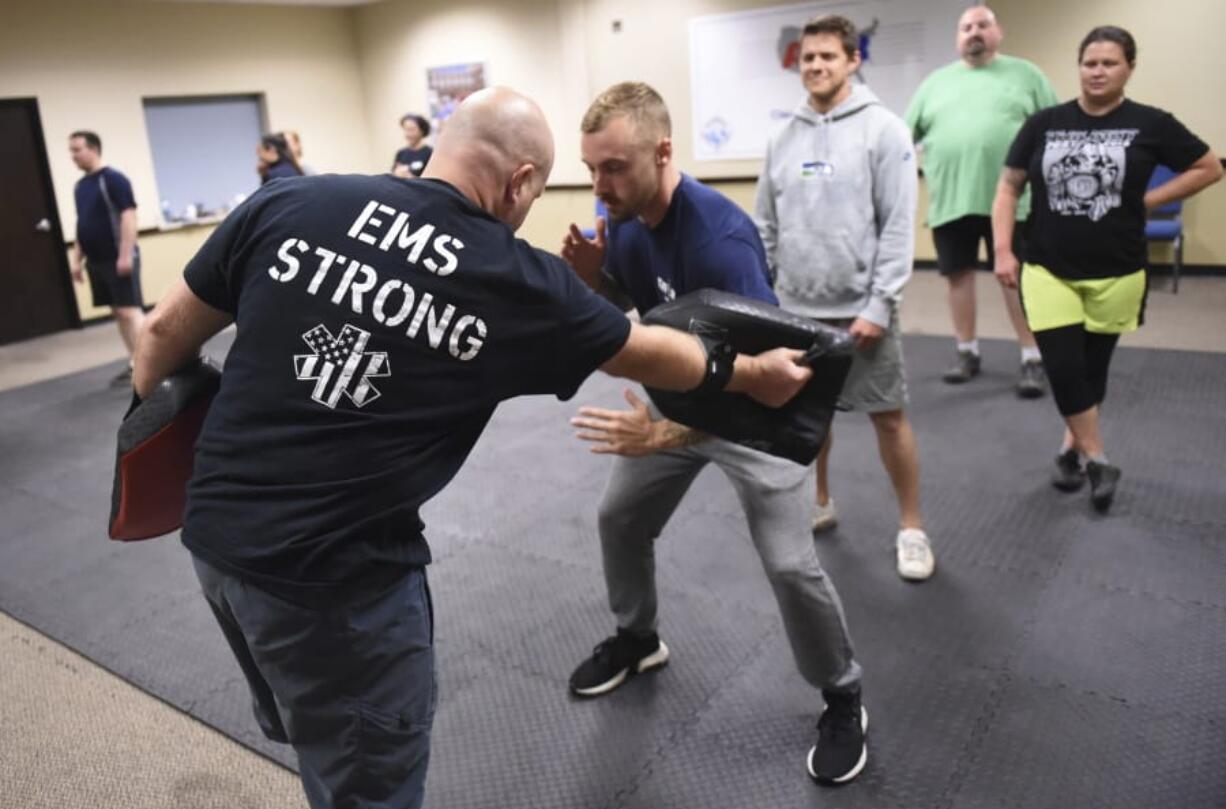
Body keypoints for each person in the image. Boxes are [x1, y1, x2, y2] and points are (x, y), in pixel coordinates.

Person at [131, 86, 812, 809]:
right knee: (369, 778)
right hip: (340, 587)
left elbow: (158, 340)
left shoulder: (294, 202)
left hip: (215, 543)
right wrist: (749, 372)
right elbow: (645, 353)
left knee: (318, 729)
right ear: (520, 183)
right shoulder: (514, 278)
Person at [560, 82, 869, 786]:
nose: (599, 186)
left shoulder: (722, 240)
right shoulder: (628, 223)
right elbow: (645, 312)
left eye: (613, 167)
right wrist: (595, 281)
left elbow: (770, 385)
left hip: (754, 420)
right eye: (591, 169)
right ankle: (639, 639)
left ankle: (843, 691)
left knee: (792, 564)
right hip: (686, 402)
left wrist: (664, 436)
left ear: (662, 152)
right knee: (619, 516)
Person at [991, 25, 1221, 511]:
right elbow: (1008, 188)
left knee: (1092, 370)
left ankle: (1070, 448)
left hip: (1117, 269)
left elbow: (1208, 167)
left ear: (1129, 68)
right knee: (1062, 364)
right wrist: (1004, 249)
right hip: (1047, 266)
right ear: (1079, 68)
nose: (1097, 72)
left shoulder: (1151, 123)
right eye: (1089, 63)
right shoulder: (1044, 123)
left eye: (1109, 63)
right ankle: (1098, 459)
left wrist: (1148, 199)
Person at [755, 15, 934, 582]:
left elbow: (899, 226)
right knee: (811, 420)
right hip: (796, 308)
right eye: (808, 58)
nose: (816, 66)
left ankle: (911, 527)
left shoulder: (884, 130)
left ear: (853, 60)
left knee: (888, 420)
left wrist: (880, 304)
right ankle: (820, 502)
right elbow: (765, 227)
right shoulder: (782, 136)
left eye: (828, 57)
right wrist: (768, 298)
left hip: (862, 309)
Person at [905, 4, 1058, 394]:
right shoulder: (934, 84)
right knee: (958, 278)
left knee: (1016, 280)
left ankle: (1032, 357)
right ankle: (966, 351)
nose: (974, 32)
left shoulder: (1027, 75)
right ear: (958, 38)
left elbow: (1054, 130)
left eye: (982, 25)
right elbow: (904, 138)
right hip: (951, 200)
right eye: (966, 27)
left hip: (1014, 202)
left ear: (998, 32)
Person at [68, 130, 145, 387]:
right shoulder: (80, 186)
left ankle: (156, 361)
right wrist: (76, 259)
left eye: (77, 149)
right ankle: (136, 361)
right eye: (71, 150)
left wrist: (125, 255)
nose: (73, 156)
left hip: (117, 258)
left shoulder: (113, 179)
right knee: (118, 312)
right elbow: (83, 225)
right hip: (97, 260)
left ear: (93, 149)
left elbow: (128, 217)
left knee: (130, 311)